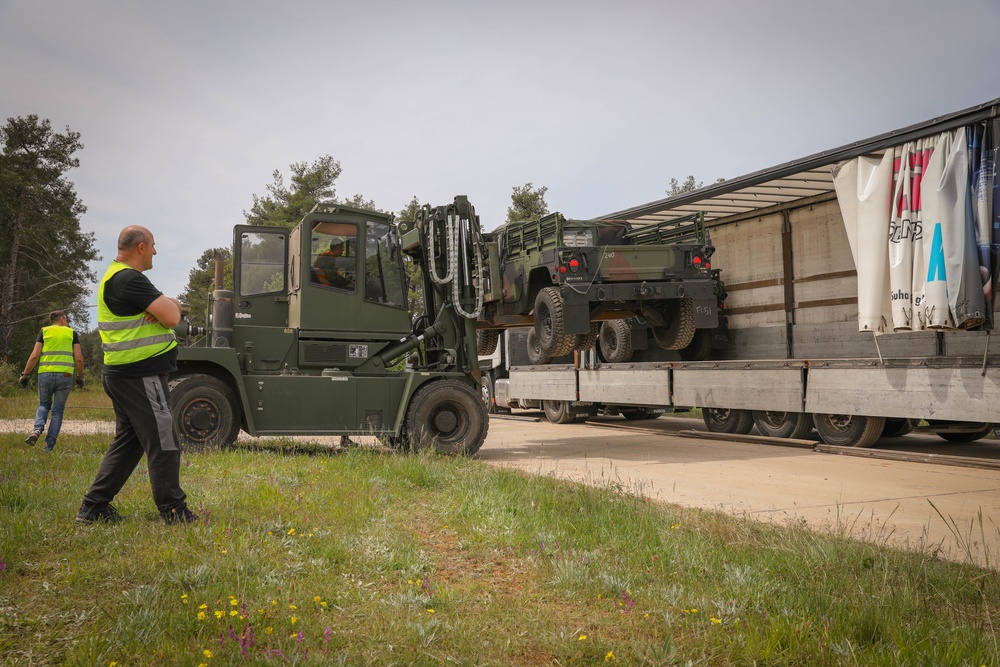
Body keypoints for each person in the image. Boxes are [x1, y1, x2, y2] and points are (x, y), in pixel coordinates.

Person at [76, 225, 197, 525]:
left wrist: (170, 304)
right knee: (164, 440)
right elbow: (172, 317)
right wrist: (170, 307)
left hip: (123, 374)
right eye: (153, 246)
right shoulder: (130, 279)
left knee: (129, 443)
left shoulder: (117, 277)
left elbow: (171, 308)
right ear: (141, 247)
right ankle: (173, 510)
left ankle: (94, 507)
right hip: (140, 373)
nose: (155, 251)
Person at [19, 310, 86, 452]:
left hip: (45, 374)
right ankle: (49, 446)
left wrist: (25, 374)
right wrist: (80, 377)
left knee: (43, 405)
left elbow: (34, 356)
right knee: (57, 411)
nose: (67, 322)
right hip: (66, 376)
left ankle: (36, 430)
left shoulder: (44, 331)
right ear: (61, 319)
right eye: (66, 319)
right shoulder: (71, 333)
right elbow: (79, 358)